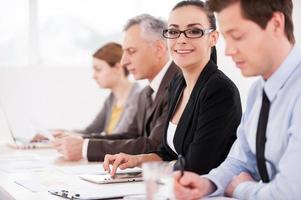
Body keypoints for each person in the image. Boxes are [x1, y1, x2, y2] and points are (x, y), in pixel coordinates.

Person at [174, 0, 301, 199]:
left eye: (238, 36)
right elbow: (240, 160)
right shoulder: (259, 90)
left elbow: (289, 193)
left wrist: (241, 189)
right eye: (226, 38)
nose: (228, 51)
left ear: (276, 24)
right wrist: (208, 183)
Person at [103, 0, 242, 176]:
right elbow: (168, 153)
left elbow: (197, 166)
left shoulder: (219, 90)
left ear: (213, 38)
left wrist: (153, 169)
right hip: (175, 186)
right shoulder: (177, 83)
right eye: (174, 31)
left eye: (194, 31)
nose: (181, 40)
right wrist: (136, 160)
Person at [51, 14, 180, 161]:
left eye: (131, 51)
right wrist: (81, 141)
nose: (124, 61)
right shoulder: (146, 93)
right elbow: (130, 136)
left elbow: (156, 146)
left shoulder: (179, 85)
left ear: (158, 49)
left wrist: (86, 148)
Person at [31, 42, 141, 157]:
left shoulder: (139, 97)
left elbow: (118, 138)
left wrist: (75, 139)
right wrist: (62, 133)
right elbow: (90, 131)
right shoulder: (111, 98)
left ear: (118, 68)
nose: (94, 76)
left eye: (98, 69)